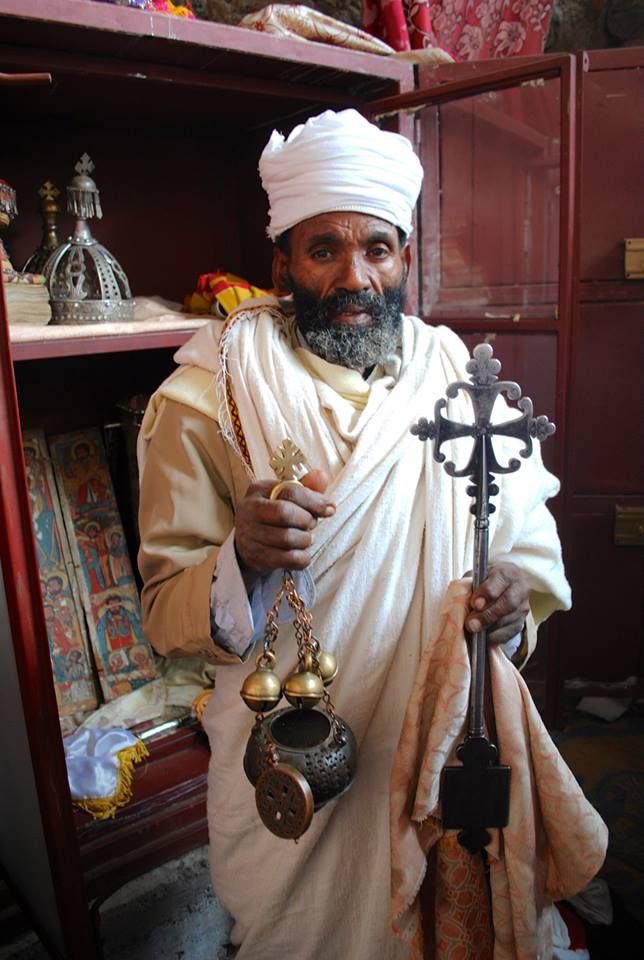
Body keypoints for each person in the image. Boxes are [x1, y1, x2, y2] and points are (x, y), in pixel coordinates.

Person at [137, 109, 573, 959]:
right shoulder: (206, 396)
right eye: (324, 250)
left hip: (447, 737)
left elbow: (522, 545)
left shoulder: (462, 385)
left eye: (376, 248)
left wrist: (512, 605)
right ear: (282, 264)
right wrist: (243, 559)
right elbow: (164, 610)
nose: (354, 277)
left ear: (406, 258)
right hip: (302, 758)